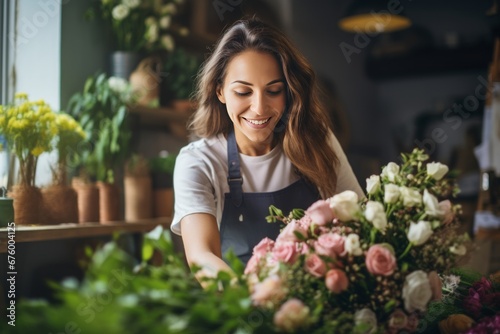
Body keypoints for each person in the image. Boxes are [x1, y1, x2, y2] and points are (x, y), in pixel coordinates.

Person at [170, 17, 363, 278]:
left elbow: (361, 219)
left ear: (290, 92)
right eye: (243, 92)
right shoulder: (198, 162)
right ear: (220, 91)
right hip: (239, 306)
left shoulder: (318, 141)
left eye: (273, 91)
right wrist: (254, 304)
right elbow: (202, 257)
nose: (259, 108)